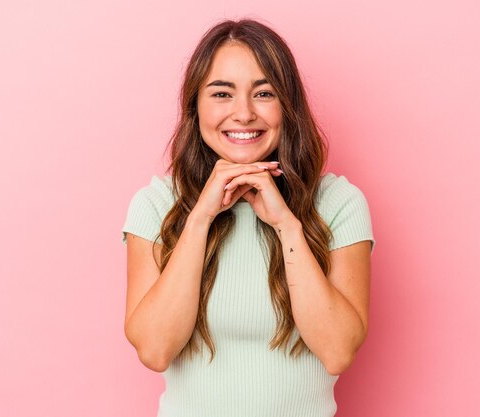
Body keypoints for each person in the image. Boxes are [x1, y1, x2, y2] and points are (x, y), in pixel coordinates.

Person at [121, 18, 375, 417]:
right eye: (222, 93)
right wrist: (201, 216)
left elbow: (338, 350)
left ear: (287, 107)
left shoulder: (339, 204)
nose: (243, 113)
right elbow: (154, 349)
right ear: (195, 106)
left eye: (264, 93)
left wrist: (285, 224)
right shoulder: (155, 205)